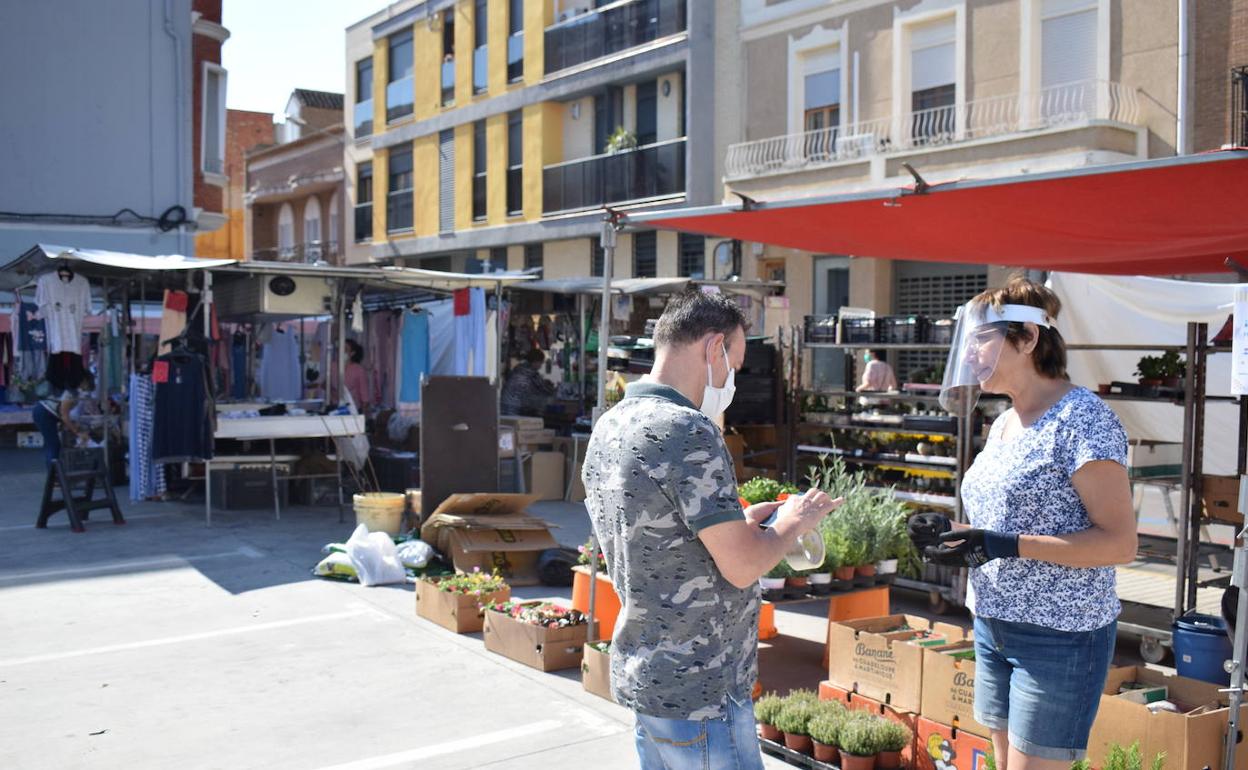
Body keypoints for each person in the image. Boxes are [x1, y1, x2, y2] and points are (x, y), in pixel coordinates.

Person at [582, 290, 840, 769]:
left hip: (650, 674)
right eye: (734, 364)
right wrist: (790, 524)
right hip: (702, 687)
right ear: (712, 348)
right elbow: (742, 566)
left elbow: (655, 537)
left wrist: (738, 525)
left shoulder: (612, 424)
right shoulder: (687, 430)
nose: (731, 379)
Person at [910, 278, 1136, 770]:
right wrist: (953, 533)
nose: (970, 355)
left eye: (981, 339)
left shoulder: (1084, 422)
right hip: (993, 624)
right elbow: (1001, 525)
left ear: (1028, 339)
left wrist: (1007, 545)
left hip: (1059, 635)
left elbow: (1119, 544)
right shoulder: (1005, 422)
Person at [31, 372, 94, 469]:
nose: (86, 388)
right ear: (83, 381)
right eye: (86, 383)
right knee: (54, 445)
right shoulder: (71, 394)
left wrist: (73, 426)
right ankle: (53, 475)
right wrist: (77, 432)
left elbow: (63, 415)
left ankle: (54, 474)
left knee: (51, 444)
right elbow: (64, 416)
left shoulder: (73, 392)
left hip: (46, 414)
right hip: (44, 413)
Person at [500, 348, 555, 416]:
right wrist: (554, 390)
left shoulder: (519, 368)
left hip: (504, 402)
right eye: (541, 362)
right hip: (514, 406)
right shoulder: (532, 373)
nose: (541, 366)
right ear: (536, 361)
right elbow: (544, 389)